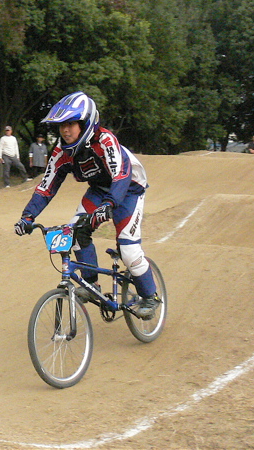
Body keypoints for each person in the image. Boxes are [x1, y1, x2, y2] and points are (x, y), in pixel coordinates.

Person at [13, 91, 160, 319]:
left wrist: (109, 204)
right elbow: (46, 186)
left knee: (129, 250)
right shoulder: (61, 152)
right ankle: (92, 286)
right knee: (75, 231)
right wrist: (28, 217)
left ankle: (150, 297)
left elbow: (121, 174)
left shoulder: (105, 140)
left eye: (71, 123)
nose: (65, 130)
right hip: (100, 190)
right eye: (61, 125)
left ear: (86, 123)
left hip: (129, 188)